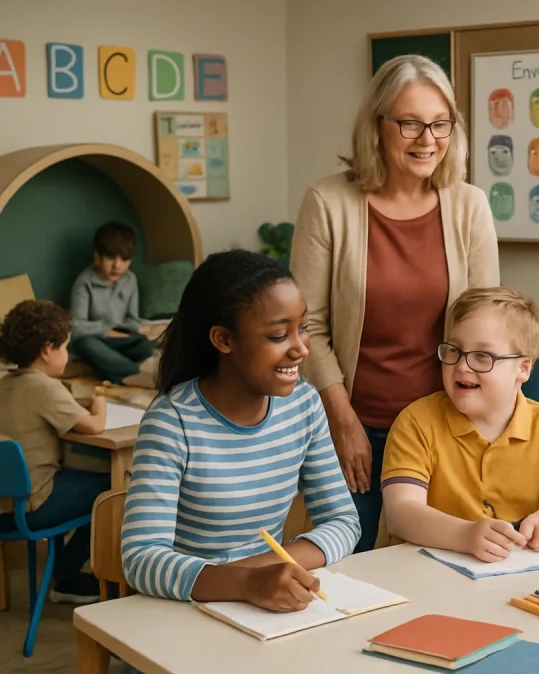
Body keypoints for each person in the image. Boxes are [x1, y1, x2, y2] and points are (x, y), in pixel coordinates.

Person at [291, 54, 499, 553]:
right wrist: (341, 421)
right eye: (410, 123)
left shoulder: (469, 205)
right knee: (347, 567)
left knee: (437, 569)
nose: (427, 139)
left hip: (443, 428)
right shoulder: (327, 203)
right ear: (377, 126)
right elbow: (307, 328)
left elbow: (488, 324)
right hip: (353, 424)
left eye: (439, 123)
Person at [121, 250, 360, 609]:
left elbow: (343, 521)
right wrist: (245, 581)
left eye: (304, 328)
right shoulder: (172, 421)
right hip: (182, 612)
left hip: (266, 604)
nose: (300, 349)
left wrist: (262, 574)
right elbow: (141, 559)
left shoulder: (304, 405)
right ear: (223, 340)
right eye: (279, 335)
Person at [380, 287, 539, 561]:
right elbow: (400, 512)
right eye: (454, 350)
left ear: (523, 369)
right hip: (419, 570)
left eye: (482, 356)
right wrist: (464, 535)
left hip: (507, 571)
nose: (462, 366)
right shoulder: (416, 422)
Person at [0, 300, 109, 602]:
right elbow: (93, 426)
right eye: (65, 348)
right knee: (114, 489)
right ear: (48, 349)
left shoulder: (4, 384)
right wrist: (99, 400)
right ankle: (67, 576)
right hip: (34, 505)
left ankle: (64, 571)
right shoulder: (45, 387)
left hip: (4, 506)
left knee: (78, 479)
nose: (67, 355)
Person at [69, 221, 157, 387]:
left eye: (124, 259)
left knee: (148, 345)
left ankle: (117, 365)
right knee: (87, 345)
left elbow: (132, 319)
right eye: (110, 258)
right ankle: (132, 374)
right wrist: (108, 331)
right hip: (93, 338)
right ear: (97, 257)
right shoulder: (84, 282)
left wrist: (136, 329)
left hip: (121, 339)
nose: (117, 265)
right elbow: (76, 326)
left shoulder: (130, 279)